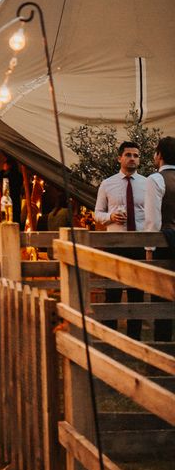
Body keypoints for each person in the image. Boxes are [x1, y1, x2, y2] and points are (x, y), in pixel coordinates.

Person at [95, 141, 148, 339]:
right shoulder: (107, 184)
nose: (132, 158)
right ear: (119, 158)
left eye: (136, 155)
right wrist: (111, 217)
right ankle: (110, 337)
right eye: (128, 155)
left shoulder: (146, 184)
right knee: (112, 294)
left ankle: (135, 339)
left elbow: (152, 214)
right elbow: (97, 213)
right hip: (115, 245)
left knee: (137, 294)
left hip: (138, 245)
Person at [143, 136, 175, 342]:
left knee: (162, 297)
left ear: (159, 155)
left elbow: (152, 220)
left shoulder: (155, 179)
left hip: (165, 243)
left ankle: (162, 349)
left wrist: (148, 250)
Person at [0, 156, 23, 225]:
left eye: (5, 164)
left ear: (9, 165)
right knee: (16, 217)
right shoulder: (19, 174)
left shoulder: (6, 174)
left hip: (7, 198)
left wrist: (3, 170)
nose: (3, 166)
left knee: (8, 217)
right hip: (16, 198)